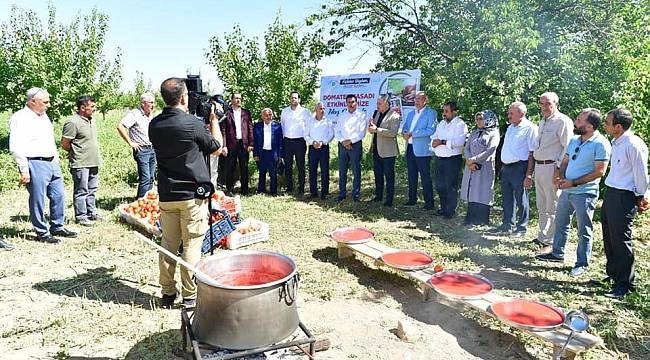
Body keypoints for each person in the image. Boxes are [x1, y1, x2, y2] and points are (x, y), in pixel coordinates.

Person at [149, 78, 222, 308]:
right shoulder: (191, 124)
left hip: (167, 194)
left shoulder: (155, 124)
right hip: (191, 195)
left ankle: (168, 294)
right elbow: (216, 147)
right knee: (192, 244)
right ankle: (190, 296)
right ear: (183, 97)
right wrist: (213, 120)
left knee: (168, 244)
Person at [536, 109, 610, 278]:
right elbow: (565, 161)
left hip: (585, 193)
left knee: (584, 229)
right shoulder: (575, 140)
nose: (575, 122)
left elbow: (600, 171)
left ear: (590, 126)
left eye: (579, 120)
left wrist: (574, 182)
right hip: (567, 190)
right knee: (561, 223)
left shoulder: (601, 144)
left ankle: (582, 263)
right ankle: (557, 253)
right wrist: (559, 175)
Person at [9, 87, 77, 244]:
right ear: (33, 101)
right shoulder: (19, 118)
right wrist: (24, 170)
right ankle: (41, 232)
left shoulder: (43, 116)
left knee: (58, 195)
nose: (49, 105)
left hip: (51, 161)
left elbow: (48, 139)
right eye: (45, 102)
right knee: (38, 199)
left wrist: (56, 157)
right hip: (34, 162)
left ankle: (57, 226)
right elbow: (16, 146)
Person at [599, 108, 648, 298]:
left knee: (621, 239)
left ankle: (625, 283)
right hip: (612, 192)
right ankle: (613, 274)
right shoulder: (616, 141)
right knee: (609, 236)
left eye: (608, 122)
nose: (605, 125)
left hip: (625, 195)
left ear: (618, 127)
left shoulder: (634, 144)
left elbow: (641, 174)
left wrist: (641, 196)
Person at [526, 92, 573, 249]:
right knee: (541, 204)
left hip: (552, 167)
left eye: (548, 104)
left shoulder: (562, 121)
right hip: (539, 167)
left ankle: (551, 241)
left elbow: (567, 147)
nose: (544, 107)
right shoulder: (543, 121)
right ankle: (542, 236)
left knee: (552, 205)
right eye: (542, 104)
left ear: (556, 103)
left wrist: (559, 170)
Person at [495, 102, 538, 236]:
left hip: (520, 167)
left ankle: (522, 227)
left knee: (521, 198)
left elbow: (532, 153)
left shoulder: (530, 128)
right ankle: (507, 224)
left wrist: (529, 175)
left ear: (521, 114)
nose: (509, 115)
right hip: (506, 167)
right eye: (509, 113)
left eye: (511, 113)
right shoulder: (510, 128)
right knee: (507, 198)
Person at [61, 95, 103, 227]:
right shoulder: (73, 122)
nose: (94, 109)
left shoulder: (92, 120)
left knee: (92, 189)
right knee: (81, 189)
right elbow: (64, 143)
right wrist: (76, 153)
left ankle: (92, 212)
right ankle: (81, 216)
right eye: (92, 106)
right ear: (82, 107)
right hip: (80, 162)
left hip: (93, 160)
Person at [459, 110, 500, 225]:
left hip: (484, 166)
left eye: (481, 119)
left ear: (488, 119)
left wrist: (475, 159)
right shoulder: (474, 132)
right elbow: (466, 148)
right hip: (471, 165)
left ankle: (482, 220)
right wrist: (469, 160)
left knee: (482, 191)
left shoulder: (494, 133)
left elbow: (491, 149)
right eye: (477, 119)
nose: (478, 121)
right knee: (471, 190)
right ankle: (470, 218)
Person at [431, 101, 468, 218]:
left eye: (446, 111)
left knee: (450, 186)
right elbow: (434, 137)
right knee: (440, 185)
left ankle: (450, 210)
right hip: (440, 158)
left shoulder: (460, 125)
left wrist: (443, 142)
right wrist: (434, 142)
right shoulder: (441, 123)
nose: (444, 113)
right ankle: (443, 208)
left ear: (454, 112)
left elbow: (460, 142)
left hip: (452, 160)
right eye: (443, 111)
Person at [117, 92, 157, 199]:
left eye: (154, 102)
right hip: (142, 149)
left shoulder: (151, 115)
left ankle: (148, 200)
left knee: (151, 177)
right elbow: (120, 126)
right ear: (143, 103)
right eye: (151, 103)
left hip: (152, 148)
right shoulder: (135, 114)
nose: (153, 105)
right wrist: (130, 142)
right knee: (145, 178)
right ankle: (141, 201)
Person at [401, 91, 437, 209]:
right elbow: (405, 127)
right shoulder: (411, 113)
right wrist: (404, 133)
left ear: (425, 100)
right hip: (410, 148)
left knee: (425, 176)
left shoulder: (431, 113)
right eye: (415, 99)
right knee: (411, 175)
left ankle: (429, 203)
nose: (416, 101)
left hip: (423, 149)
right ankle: (412, 199)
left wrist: (413, 134)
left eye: (419, 99)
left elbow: (430, 130)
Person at [368, 95, 401, 207]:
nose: (377, 106)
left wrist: (377, 129)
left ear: (386, 103)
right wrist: (371, 128)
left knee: (389, 176)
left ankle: (389, 199)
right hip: (376, 149)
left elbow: (393, 133)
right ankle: (378, 196)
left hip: (388, 151)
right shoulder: (376, 113)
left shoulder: (395, 115)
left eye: (380, 103)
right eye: (377, 103)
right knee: (378, 174)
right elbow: (373, 129)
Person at [335, 94, 368, 202]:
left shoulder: (362, 115)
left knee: (356, 170)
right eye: (349, 102)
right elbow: (337, 131)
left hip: (355, 145)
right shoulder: (342, 115)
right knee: (342, 171)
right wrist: (343, 141)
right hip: (342, 145)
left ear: (357, 103)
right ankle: (342, 194)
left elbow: (362, 133)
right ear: (346, 103)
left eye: (353, 102)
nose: (351, 104)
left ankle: (356, 194)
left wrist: (350, 141)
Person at [220, 93, 254, 195]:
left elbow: (250, 128)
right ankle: (229, 190)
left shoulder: (246, 113)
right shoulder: (227, 113)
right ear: (232, 100)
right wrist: (224, 146)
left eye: (239, 98)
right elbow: (224, 130)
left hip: (243, 144)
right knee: (230, 167)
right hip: (231, 144)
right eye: (236, 98)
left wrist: (251, 143)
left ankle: (245, 190)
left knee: (244, 167)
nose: (238, 100)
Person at [280, 92, 311, 195]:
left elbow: (308, 126)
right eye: (292, 98)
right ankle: (289, 187)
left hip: (300, 142)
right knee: (288, 166)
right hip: (287, 142)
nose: (294, 99)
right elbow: (282, 126)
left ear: (299, 100)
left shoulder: (305, 112)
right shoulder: (284, 111)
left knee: (300, 166)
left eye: (296, 98)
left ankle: (301, 188)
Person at [304, 102, 334, 199]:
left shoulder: (328, 121)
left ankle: (325, 193)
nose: (322, 110)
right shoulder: (310, 121)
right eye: (320, 108)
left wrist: (323, 142)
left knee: (325, 170)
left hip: (324, 148)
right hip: (313, 148)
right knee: (312, 170)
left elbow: (331, 134)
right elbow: (306, 135)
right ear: (316, 110)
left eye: (324, 108)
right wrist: (313, 142)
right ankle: (313, 193)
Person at [253, 108, 284, 195]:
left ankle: (273, 191)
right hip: (261, 153)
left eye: (270, 115)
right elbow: (254, 141)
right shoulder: (257, 126)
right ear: (262, 116)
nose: (268, 117)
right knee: (262, 172)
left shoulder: (277, 126)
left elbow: (280, 141)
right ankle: (261, 190)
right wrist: (255, 154)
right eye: (266, 115)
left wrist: (279, 155)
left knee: (273, 173)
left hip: (273, 153)